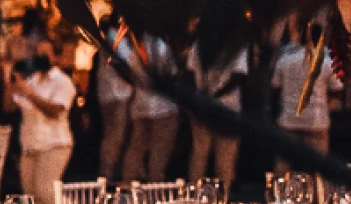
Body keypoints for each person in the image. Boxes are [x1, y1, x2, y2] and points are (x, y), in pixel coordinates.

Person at [4, 10, 76, 204]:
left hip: (54, 143)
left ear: (56, 56)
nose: (41, 58)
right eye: (38, 54)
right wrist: (9, 80)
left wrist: (30, 93)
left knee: (46, 190)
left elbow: (55, 110)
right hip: (30, 144)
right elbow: (9, 106)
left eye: (46, 54)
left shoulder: (62, 81)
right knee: (31, 197)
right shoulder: (33, 79)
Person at [185, 41, 245, 191]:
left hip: (202, 106)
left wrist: (197, 97)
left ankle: (193, 197)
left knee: (199, 153)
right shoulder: (235, 46)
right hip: (227, 108)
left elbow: (189, 74)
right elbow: (239, 77)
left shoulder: (198, 46)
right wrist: (216, 94)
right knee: (225, 159)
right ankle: (222, 199)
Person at [274, 15, 332, 157]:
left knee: (283, 164)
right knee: (318, 167)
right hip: (316, 121)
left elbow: (275, 86)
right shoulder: (325, 60)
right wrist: (326, 105)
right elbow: (337, 89)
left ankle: (279, 180)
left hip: (289, 119)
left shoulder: (285, 58)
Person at [125, 34, 180, 181]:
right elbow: (172, 75)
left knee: (137, 147)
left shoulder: (137, 47)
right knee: (160, 149)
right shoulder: (162, 47)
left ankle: (127, 183)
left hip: (141, 104)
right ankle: (154, 186)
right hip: (163, 106)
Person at [92, 14, 135, 182]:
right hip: (117, 94)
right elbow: (123, 64)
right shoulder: (115, 40)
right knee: (115, 137)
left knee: (111, 136)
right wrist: (135, 79)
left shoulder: (103, 41)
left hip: (106, 94)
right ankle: (108, 175)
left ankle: (107, 172)